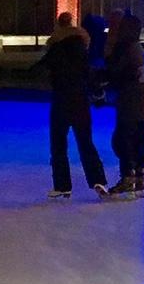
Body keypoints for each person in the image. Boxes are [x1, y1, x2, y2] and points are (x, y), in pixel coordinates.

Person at [32, 13, 105, 199]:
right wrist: (97, 92)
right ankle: (98, 180)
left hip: (61, 100)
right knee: (86, 142)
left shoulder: (56, 47)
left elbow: (38, 69)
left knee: (58, 144)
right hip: (80, 101)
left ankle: (62, 185)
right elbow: (88, 73)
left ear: (59, 24)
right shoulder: (82, 47)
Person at [103, 10, 144, 198]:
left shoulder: (125, 48)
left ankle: (129, 176)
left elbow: (115, 72)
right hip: (142, 100)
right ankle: (139, 173)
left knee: (122, 140)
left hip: (132, 100)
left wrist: (100, 79)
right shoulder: (134, 47)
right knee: (136, 139)